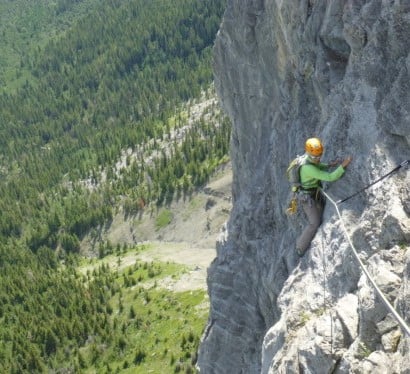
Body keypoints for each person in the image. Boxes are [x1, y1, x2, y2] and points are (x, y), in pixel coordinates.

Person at [296, 137, 352, 257]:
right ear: (309, 154)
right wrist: (342, 166)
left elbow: (317, 165)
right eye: (315, 157)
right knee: (314, 223)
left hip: (313, 194)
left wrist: (329, 164)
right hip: (307, 199)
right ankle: (300, 248)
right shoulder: (307, 168)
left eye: (319, 155)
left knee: (321, 213)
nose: (318, 159)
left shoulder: (307, 159)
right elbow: (330, 177)